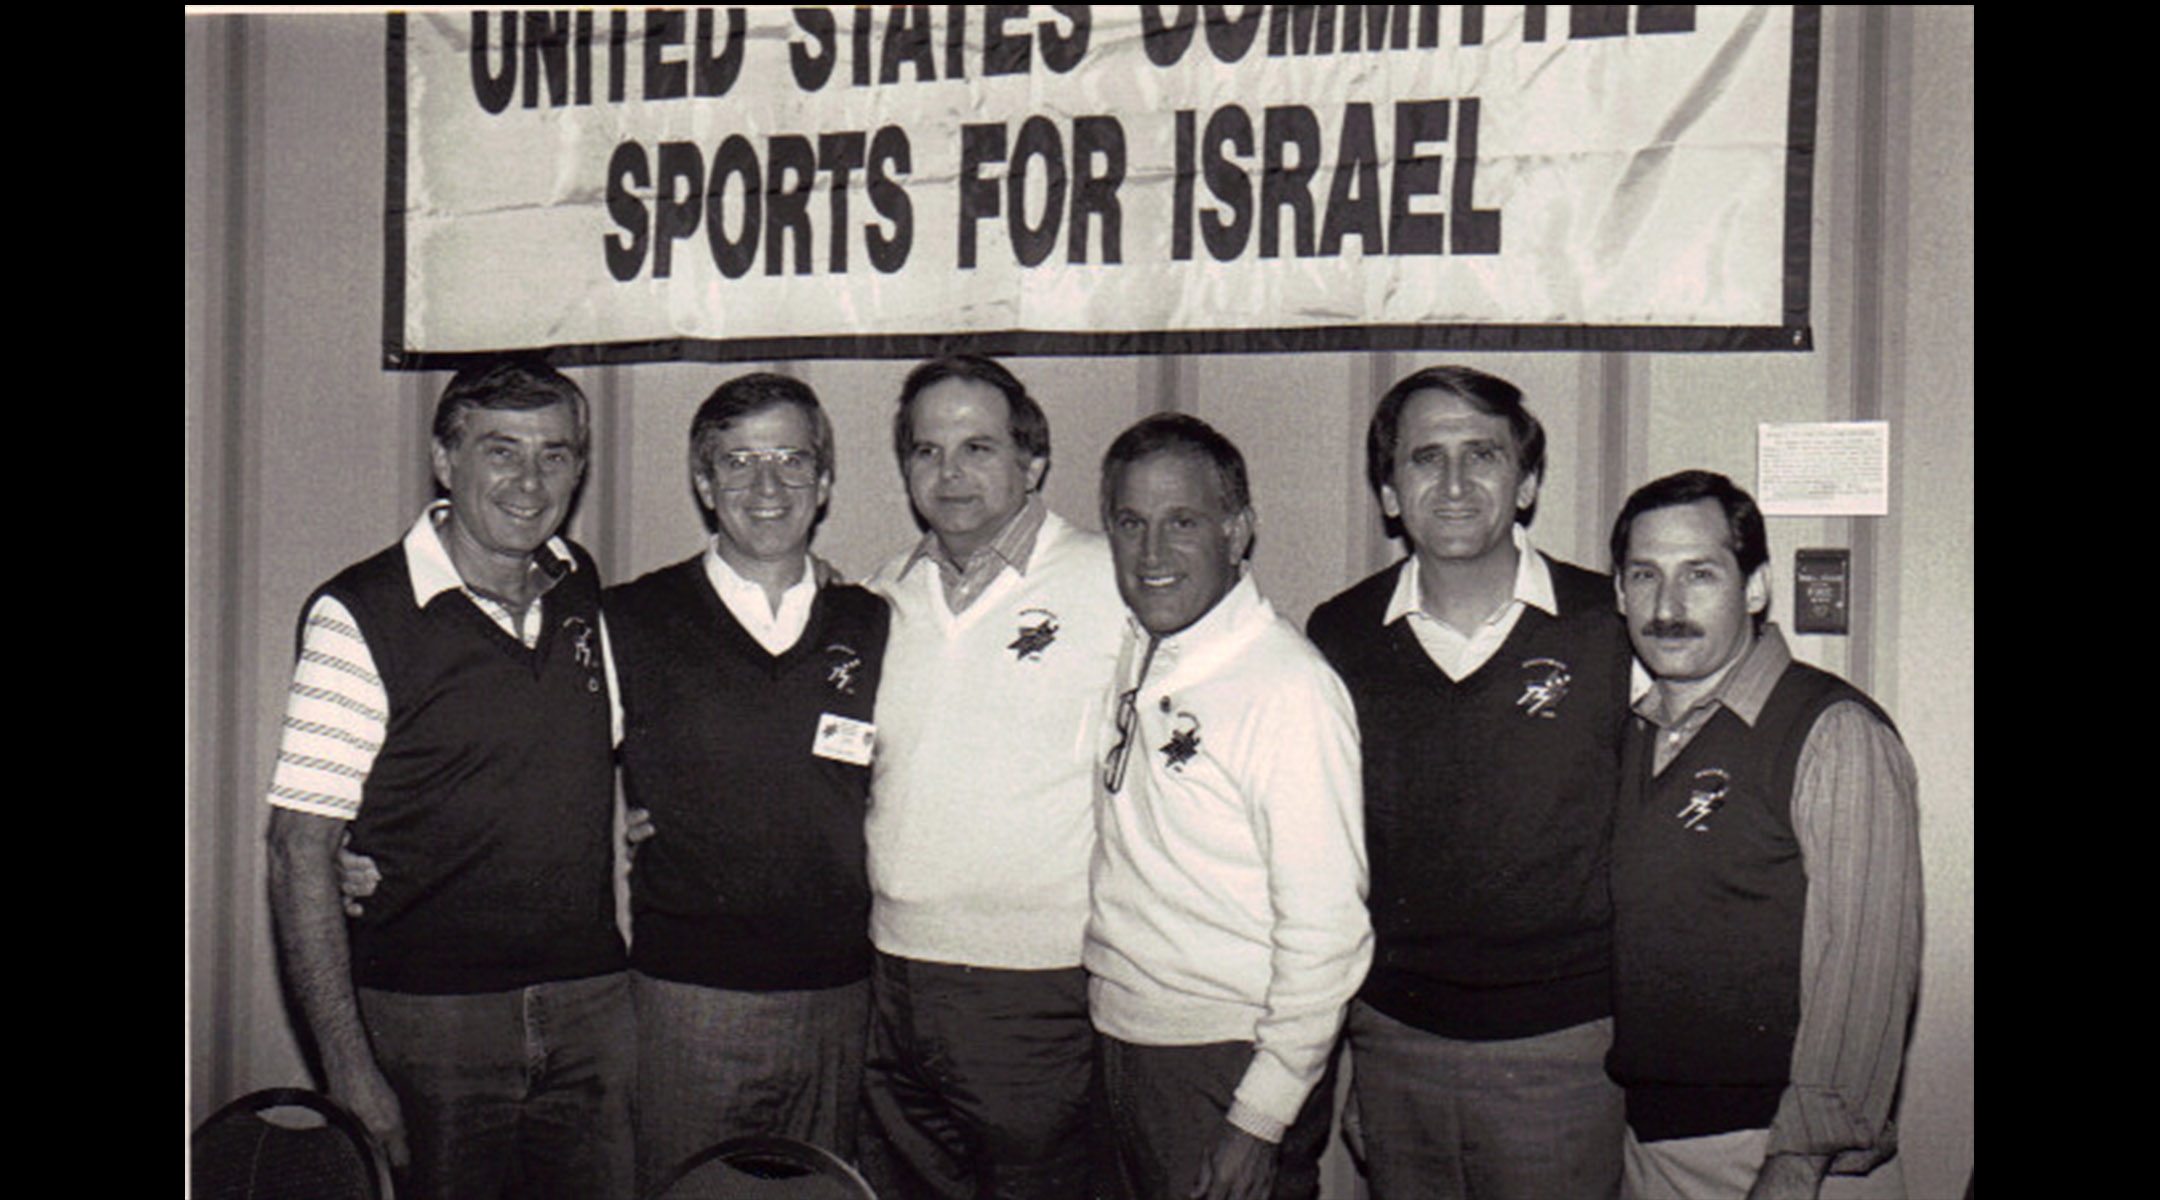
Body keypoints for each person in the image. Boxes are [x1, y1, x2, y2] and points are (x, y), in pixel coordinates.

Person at [264, 359, 633, 1199]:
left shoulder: (580, 588)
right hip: (431, 1022)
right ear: (445, 458)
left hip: (592, 1008)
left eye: (555, 453)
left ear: (580, 466)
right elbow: (298, 852)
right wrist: (348, 1069)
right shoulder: (360, 614)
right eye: (500, 451)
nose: (530, 481)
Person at [1304, 366, 1631, 1199]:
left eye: (1481, 455)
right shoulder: (1339, 634)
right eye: (1424, 458)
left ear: (1525, 484)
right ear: (1388, 490)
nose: (1453, 483)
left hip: (1564, 1049)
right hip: (1393, 1040)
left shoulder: (1611, 627)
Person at [604, 373, 889, 1191]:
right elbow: (531, 765)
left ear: (825, 480)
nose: (767, 487)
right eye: (738, 463)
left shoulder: (873, 623)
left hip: (840, 997)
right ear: (704, 482)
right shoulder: (630, 621)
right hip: (687, 998)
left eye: (792, 460)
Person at [1605, 470, 1920, 1200]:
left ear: (1755, 588)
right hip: (1653, 1145)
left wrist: (1801, 1158)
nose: (1668, 606)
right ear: (1619, 593)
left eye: (1701, 574)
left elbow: (1867, 962)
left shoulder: (1832, 731)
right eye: (1645, 575)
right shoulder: (1632, 736)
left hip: (1781, 1155)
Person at [858, 355, 1127, 1199]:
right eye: (927, 451)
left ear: (1033, 461)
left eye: (978, 447)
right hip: (889, 978)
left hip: (1032, 992)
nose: (951, 473)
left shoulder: (1112, 582)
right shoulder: (879, 602)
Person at [1086, 413, 1371, 1200]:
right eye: (1130, 524)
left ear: (1237, 531)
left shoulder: (1288, 688)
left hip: (1225, 1059)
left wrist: (1258, 1119)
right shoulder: (1141, 642)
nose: (1152, 554)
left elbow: (1330, 937)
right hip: (1123, 1039)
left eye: (1183, 523)